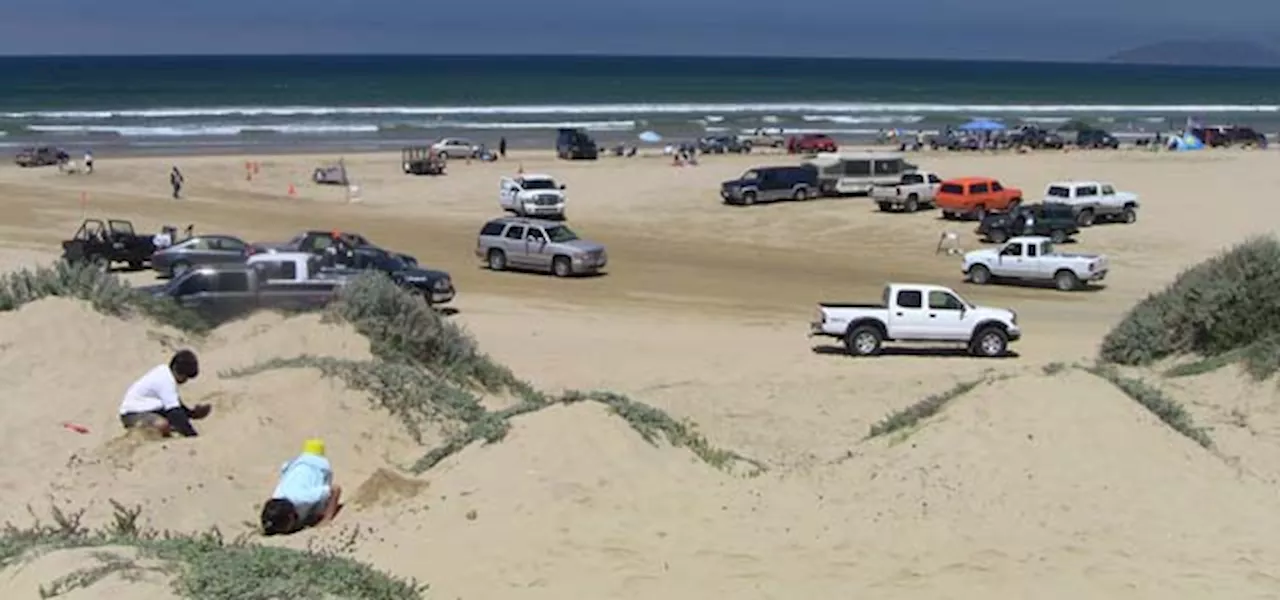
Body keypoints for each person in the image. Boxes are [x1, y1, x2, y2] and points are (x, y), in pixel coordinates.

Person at [118, 350, 211, 437]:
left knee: (172, 422)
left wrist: (192, 414)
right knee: (163, 425)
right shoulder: (166, 380)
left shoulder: (165, 373)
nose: (185, 380)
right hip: (132, 414)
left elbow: (176, 405)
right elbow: (175, 412)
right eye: (184, 376)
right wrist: (192, 435)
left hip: (148, 409)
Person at [260, 439, 343, 536]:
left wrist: (326, 519)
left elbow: (335, 489)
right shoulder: (276, 498)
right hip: (295, 464)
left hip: (319, 467)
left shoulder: (304, 497)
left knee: (319, 510)